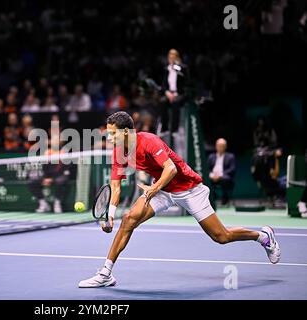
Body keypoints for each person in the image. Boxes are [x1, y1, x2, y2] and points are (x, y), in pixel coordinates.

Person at [78, 111, 281, 288]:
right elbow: (115, 185)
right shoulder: (118, 152)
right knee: (129, 219)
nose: (109, 137)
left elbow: (171, 169)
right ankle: (106, 273)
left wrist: (153, 189)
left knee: (221, 236)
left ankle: (262, 236)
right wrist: (111, 215)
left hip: (189, 189)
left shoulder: (149, 141)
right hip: (162, 189)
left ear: (124, 131)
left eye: (112, 133)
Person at [208, 138, 236, 206]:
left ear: (225, 147)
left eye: (222, 146)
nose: (220, 147)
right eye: (219, 146)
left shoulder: (230, 156)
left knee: (225, 179)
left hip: (224, 177)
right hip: (212, 176)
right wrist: (211, 175)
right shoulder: (211, 156)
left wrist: (220, 175)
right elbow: (207, 168)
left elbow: (232, 169)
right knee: (204, 179)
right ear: (216, 146)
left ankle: (225, 199)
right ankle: (212, 198)